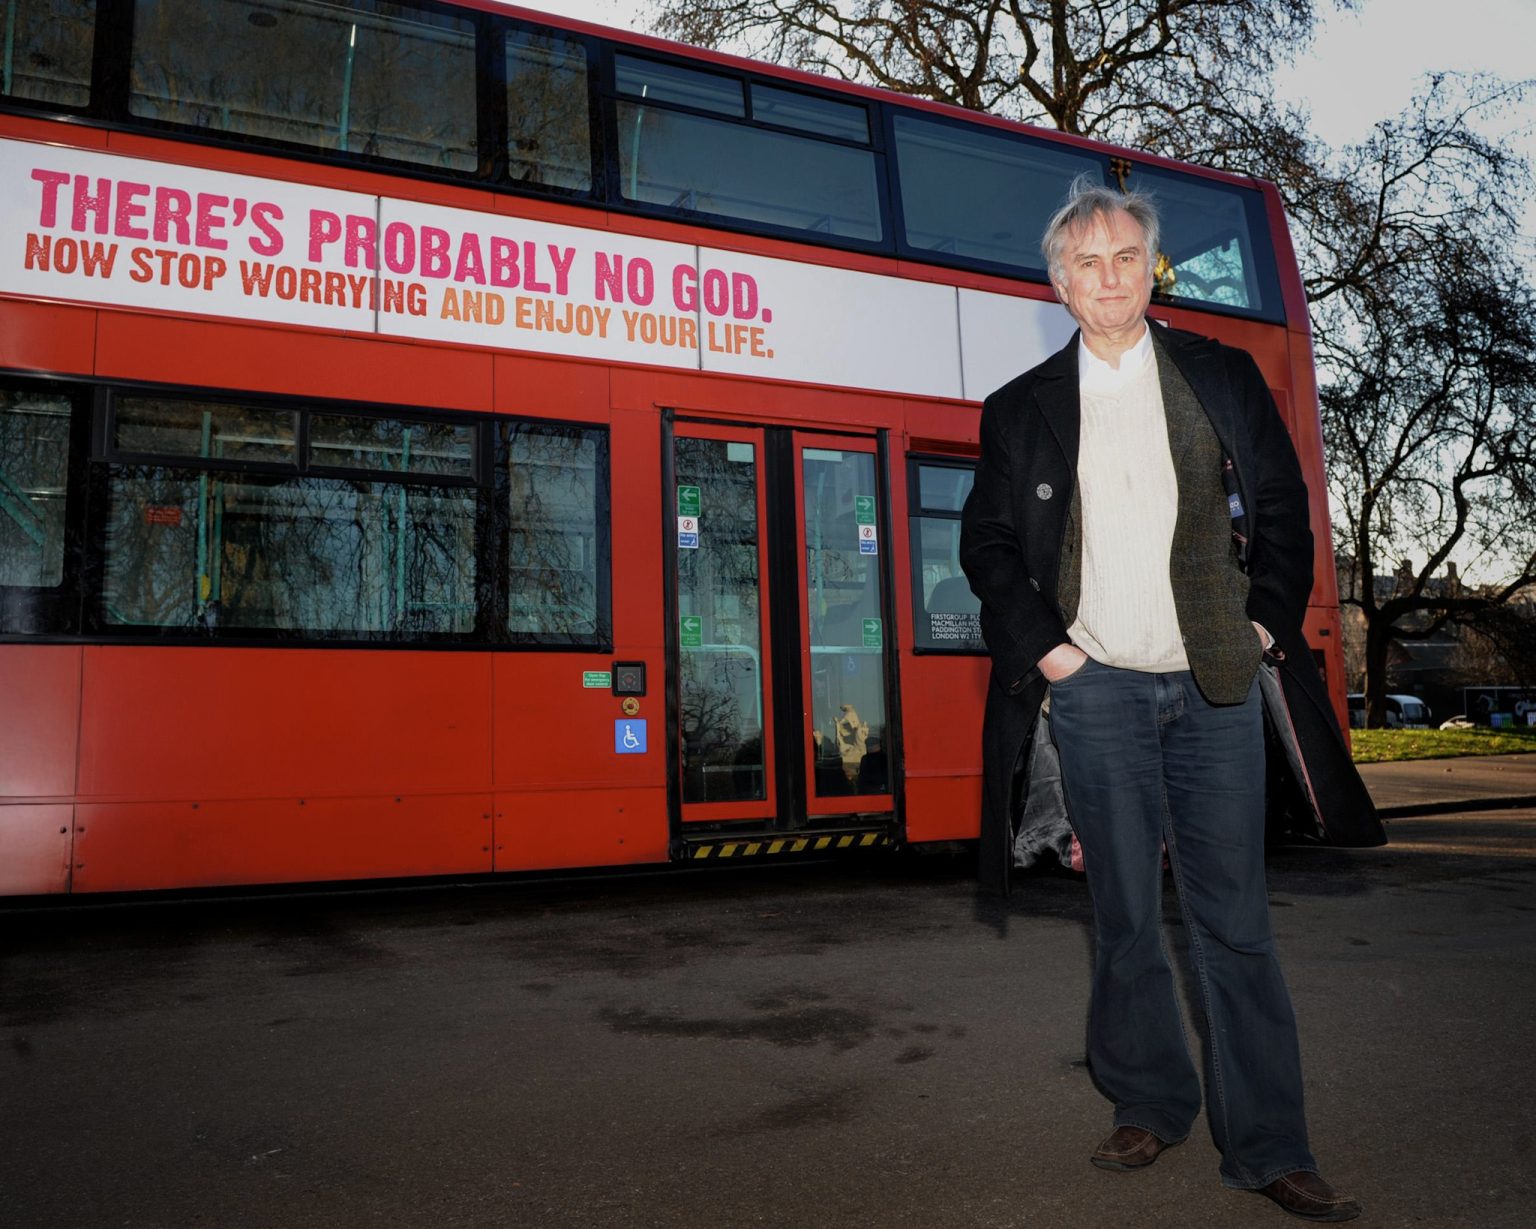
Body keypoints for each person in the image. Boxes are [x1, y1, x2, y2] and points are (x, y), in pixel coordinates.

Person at [960, 177, 1384, 1222]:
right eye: (1087, 264)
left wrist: (1263, 625)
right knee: (1124, 921)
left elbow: (1285, 512)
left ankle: (1271, 1142)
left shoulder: (1222, 376)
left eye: (1125, 258)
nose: (1109, 279)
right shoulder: (1018, 409)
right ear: (1061, 285)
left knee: (1235, 921)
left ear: (1151, 269)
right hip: (1096, 686)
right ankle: (1148, 1099)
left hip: (1216, 688)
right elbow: (989, 549)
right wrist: (1053, 658)